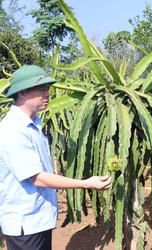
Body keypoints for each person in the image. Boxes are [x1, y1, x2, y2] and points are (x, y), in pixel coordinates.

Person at [0, 65, 112, 250]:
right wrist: (86, 183)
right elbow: (37, 177)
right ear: (22, 93)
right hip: (25, 223)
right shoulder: (12, 130)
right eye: (42, 89)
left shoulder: (33, 124)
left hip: (37, 218)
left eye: (48, 90)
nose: (48, 94)